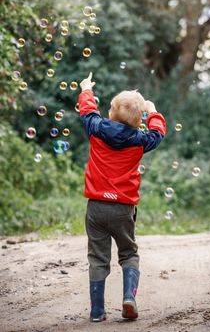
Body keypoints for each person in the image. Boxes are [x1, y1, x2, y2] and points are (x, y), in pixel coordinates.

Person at [78, 72, 166, 322]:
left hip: (96, 207)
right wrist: (152, 110)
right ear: (139, 122)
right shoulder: (141, 140)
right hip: (123, 209)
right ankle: (129, 297)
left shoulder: (96, 129)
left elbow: (87, 110)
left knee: (97, 257)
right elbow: (158, 133)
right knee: (128, 254)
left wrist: (87, 89)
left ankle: (97, 311)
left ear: (111, 113)